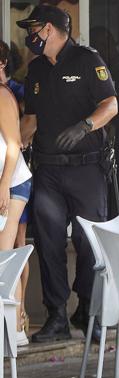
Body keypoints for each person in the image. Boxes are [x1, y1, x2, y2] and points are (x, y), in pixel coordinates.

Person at [17, 4, 118, 343]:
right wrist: (10, 146)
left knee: (90, 244)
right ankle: (57, 316)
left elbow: (111, 105)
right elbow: (30, 121)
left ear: (48, 29)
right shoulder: (36, 71)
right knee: (49, 244)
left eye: (33, 29)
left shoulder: (88, 60)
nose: (29, 36)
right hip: (48, 170)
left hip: (87, 168)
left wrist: (84, 126)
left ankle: (89, 310)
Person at [0, 40, 33, 347]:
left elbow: (13, 144)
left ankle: (15, 331)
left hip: (12, 183)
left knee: (5, 257)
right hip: (5, 181)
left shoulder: (3, 95)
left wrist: (3, 185)